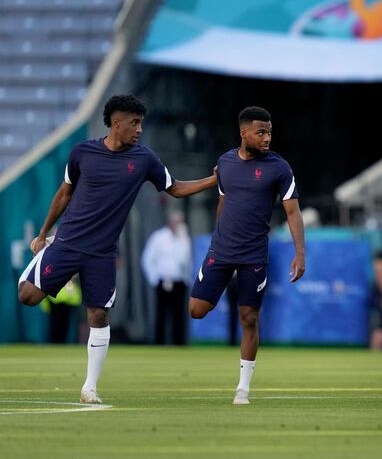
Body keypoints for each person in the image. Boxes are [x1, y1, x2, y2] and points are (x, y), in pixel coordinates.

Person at [17, 94, 218, 404]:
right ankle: (45, 255)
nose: (139, 129)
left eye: (141, 123)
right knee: (27, 297)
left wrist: (214, 180)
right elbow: (63, 194)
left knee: (98, 314)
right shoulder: (82, 152)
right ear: (115, 122)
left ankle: (90, 387)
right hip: (67, 243)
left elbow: (175, 189)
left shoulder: (144, 159)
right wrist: (44, 234)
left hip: (102, 253)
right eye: (134, 123)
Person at [188, 106, 306, 405]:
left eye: (269, 132)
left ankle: (243, 389)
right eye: (260, 132)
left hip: (254, 254)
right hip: (221, 250)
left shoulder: (279, 168)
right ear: (244, 133)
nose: (267, 138)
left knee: (249, 317)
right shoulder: (225, 162)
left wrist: (300, 253)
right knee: (196, 310)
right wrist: (219, 234)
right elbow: (223, 203)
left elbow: (293, 212)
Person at [141, 209, 193, 345]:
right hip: (162, 282)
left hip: (179, 282)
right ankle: (159, 343)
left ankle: (179, 345)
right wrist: (154, 279)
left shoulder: (184, 238)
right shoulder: (158, 237)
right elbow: (147, 259)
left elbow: (185, 260)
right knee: (161, 315)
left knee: (179, 316)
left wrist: (182, 238)